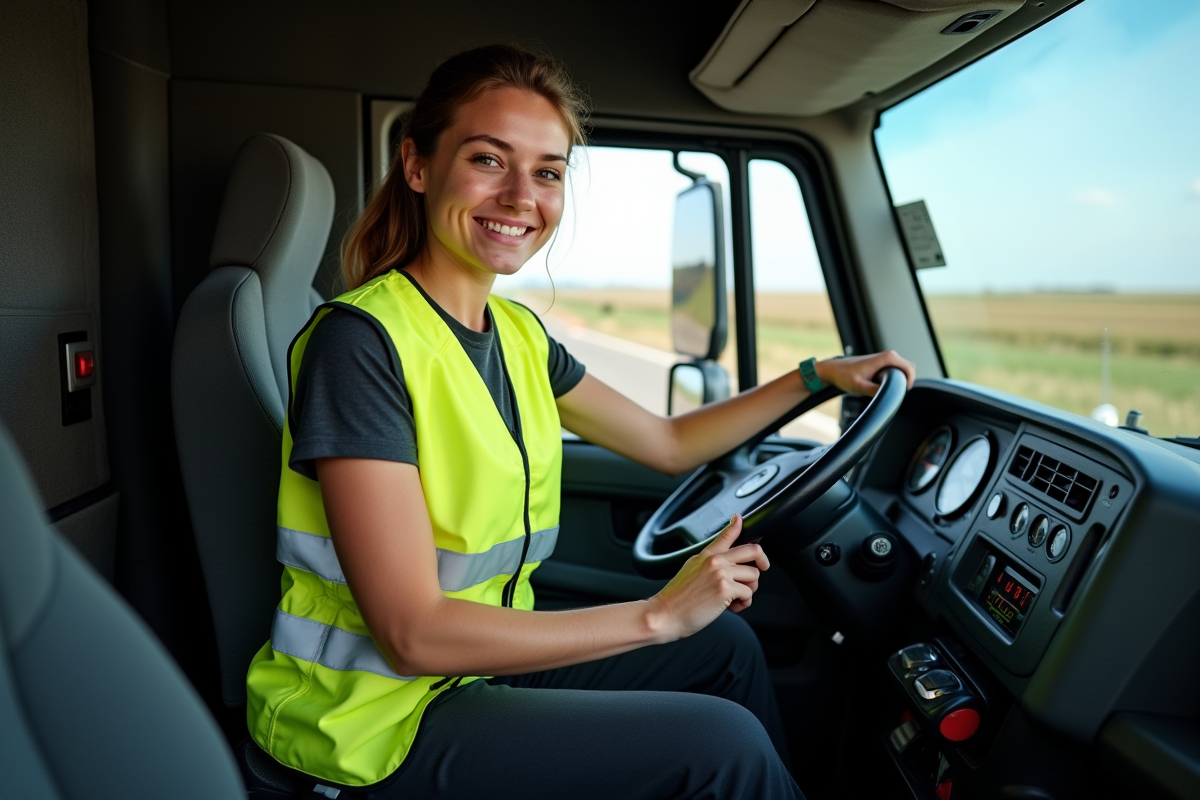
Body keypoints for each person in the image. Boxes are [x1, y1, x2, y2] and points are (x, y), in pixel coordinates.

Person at [245, 44, 916, 800]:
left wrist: (815, 378)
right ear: (418, 166)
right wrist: (658, 616)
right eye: (488, 160)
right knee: (720, 748)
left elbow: (668, 442)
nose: (520, 197)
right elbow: (412, 634)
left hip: (468, 668)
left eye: (548, 172)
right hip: (371, 724)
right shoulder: (360, 344)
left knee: (725, 645)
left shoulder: (518, 336)